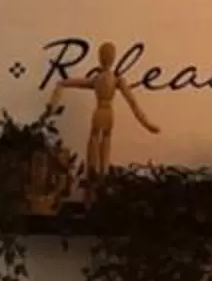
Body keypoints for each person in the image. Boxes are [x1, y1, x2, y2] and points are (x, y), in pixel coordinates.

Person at [57, 40, 159, 178]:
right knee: (106, 140)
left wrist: (58, 91)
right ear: (113, 59)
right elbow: (133, 103)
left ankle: (92, 173)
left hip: (99, 112)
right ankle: (101, 175)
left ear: (100, 58)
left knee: (94, 140)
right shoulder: (116, 80)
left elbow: (68, 83)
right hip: (109, 114)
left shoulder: (97, 79)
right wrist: (147, 124)